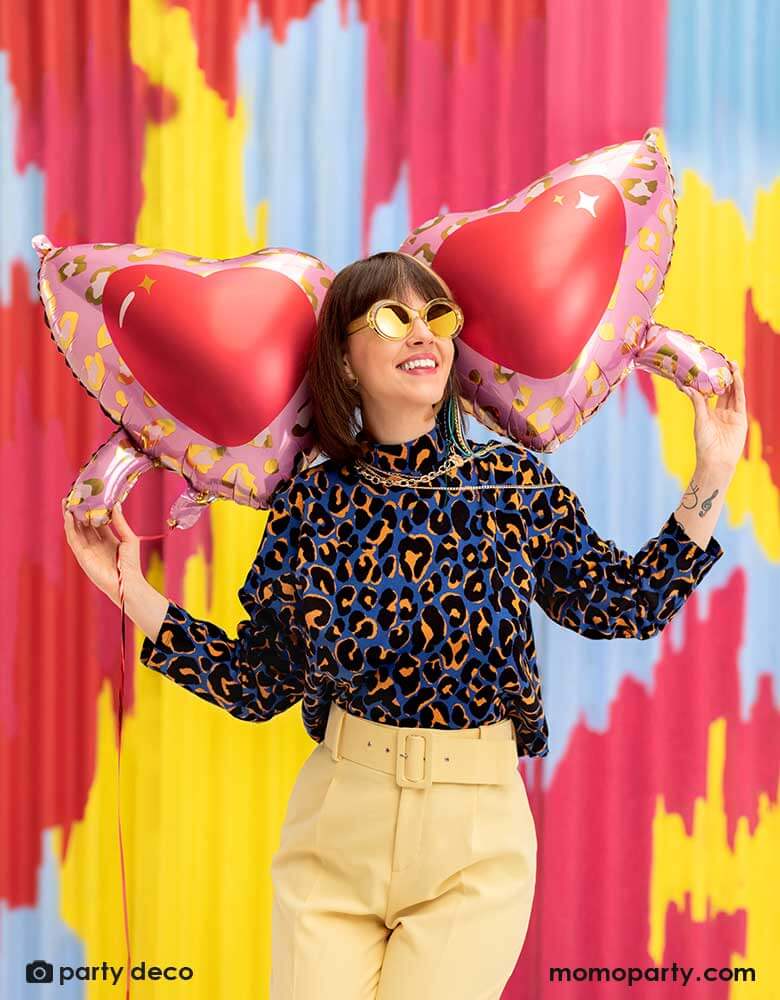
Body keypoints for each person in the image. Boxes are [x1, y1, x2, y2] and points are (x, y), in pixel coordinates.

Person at [63, 251, 747, 999]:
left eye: (437, 316)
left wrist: (712, 471)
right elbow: (261, 683)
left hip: (474, 837)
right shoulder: (311, 504)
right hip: (336, 823)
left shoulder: (511, 485)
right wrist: (127, 589)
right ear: (347, 361)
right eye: (392, 317)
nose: (422, 332)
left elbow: (623, 603)